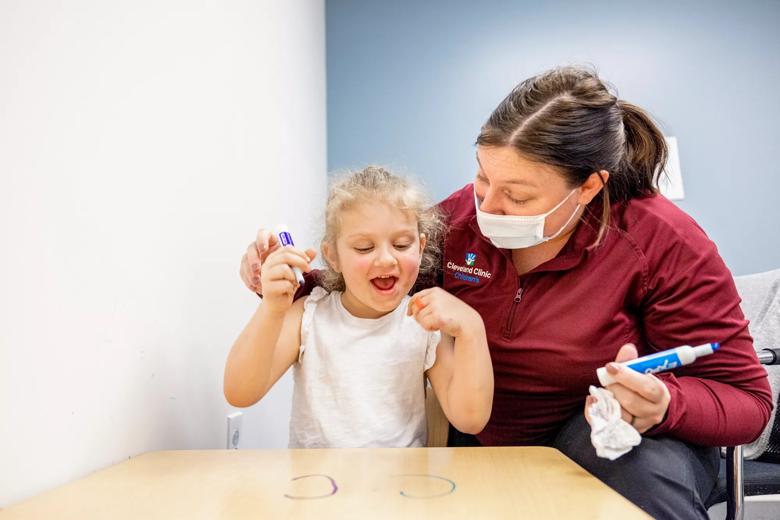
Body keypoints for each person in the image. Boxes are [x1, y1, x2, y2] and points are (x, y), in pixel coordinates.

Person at [239, 67, 772, 518]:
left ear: (589, 187)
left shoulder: (663, 242)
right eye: (481, 179)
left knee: (637, 469)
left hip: (602, 433)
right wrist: (290, 278)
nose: (487, 207)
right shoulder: (460, 221)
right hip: (482, 434)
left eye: (516, 196)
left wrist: (664, 404)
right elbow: (376, 281)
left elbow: (748, 402)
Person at [224, 166, 493, 449]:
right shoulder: (308, 315)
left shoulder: (422, 323)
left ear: (421, 246)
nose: (387, 259)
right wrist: (271, 310)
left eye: (402, 244)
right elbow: (240, 393)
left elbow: (470, 419)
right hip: (317, 487)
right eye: (365, 248)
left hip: (399, 487)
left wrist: (472, 328)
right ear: (332, 256)